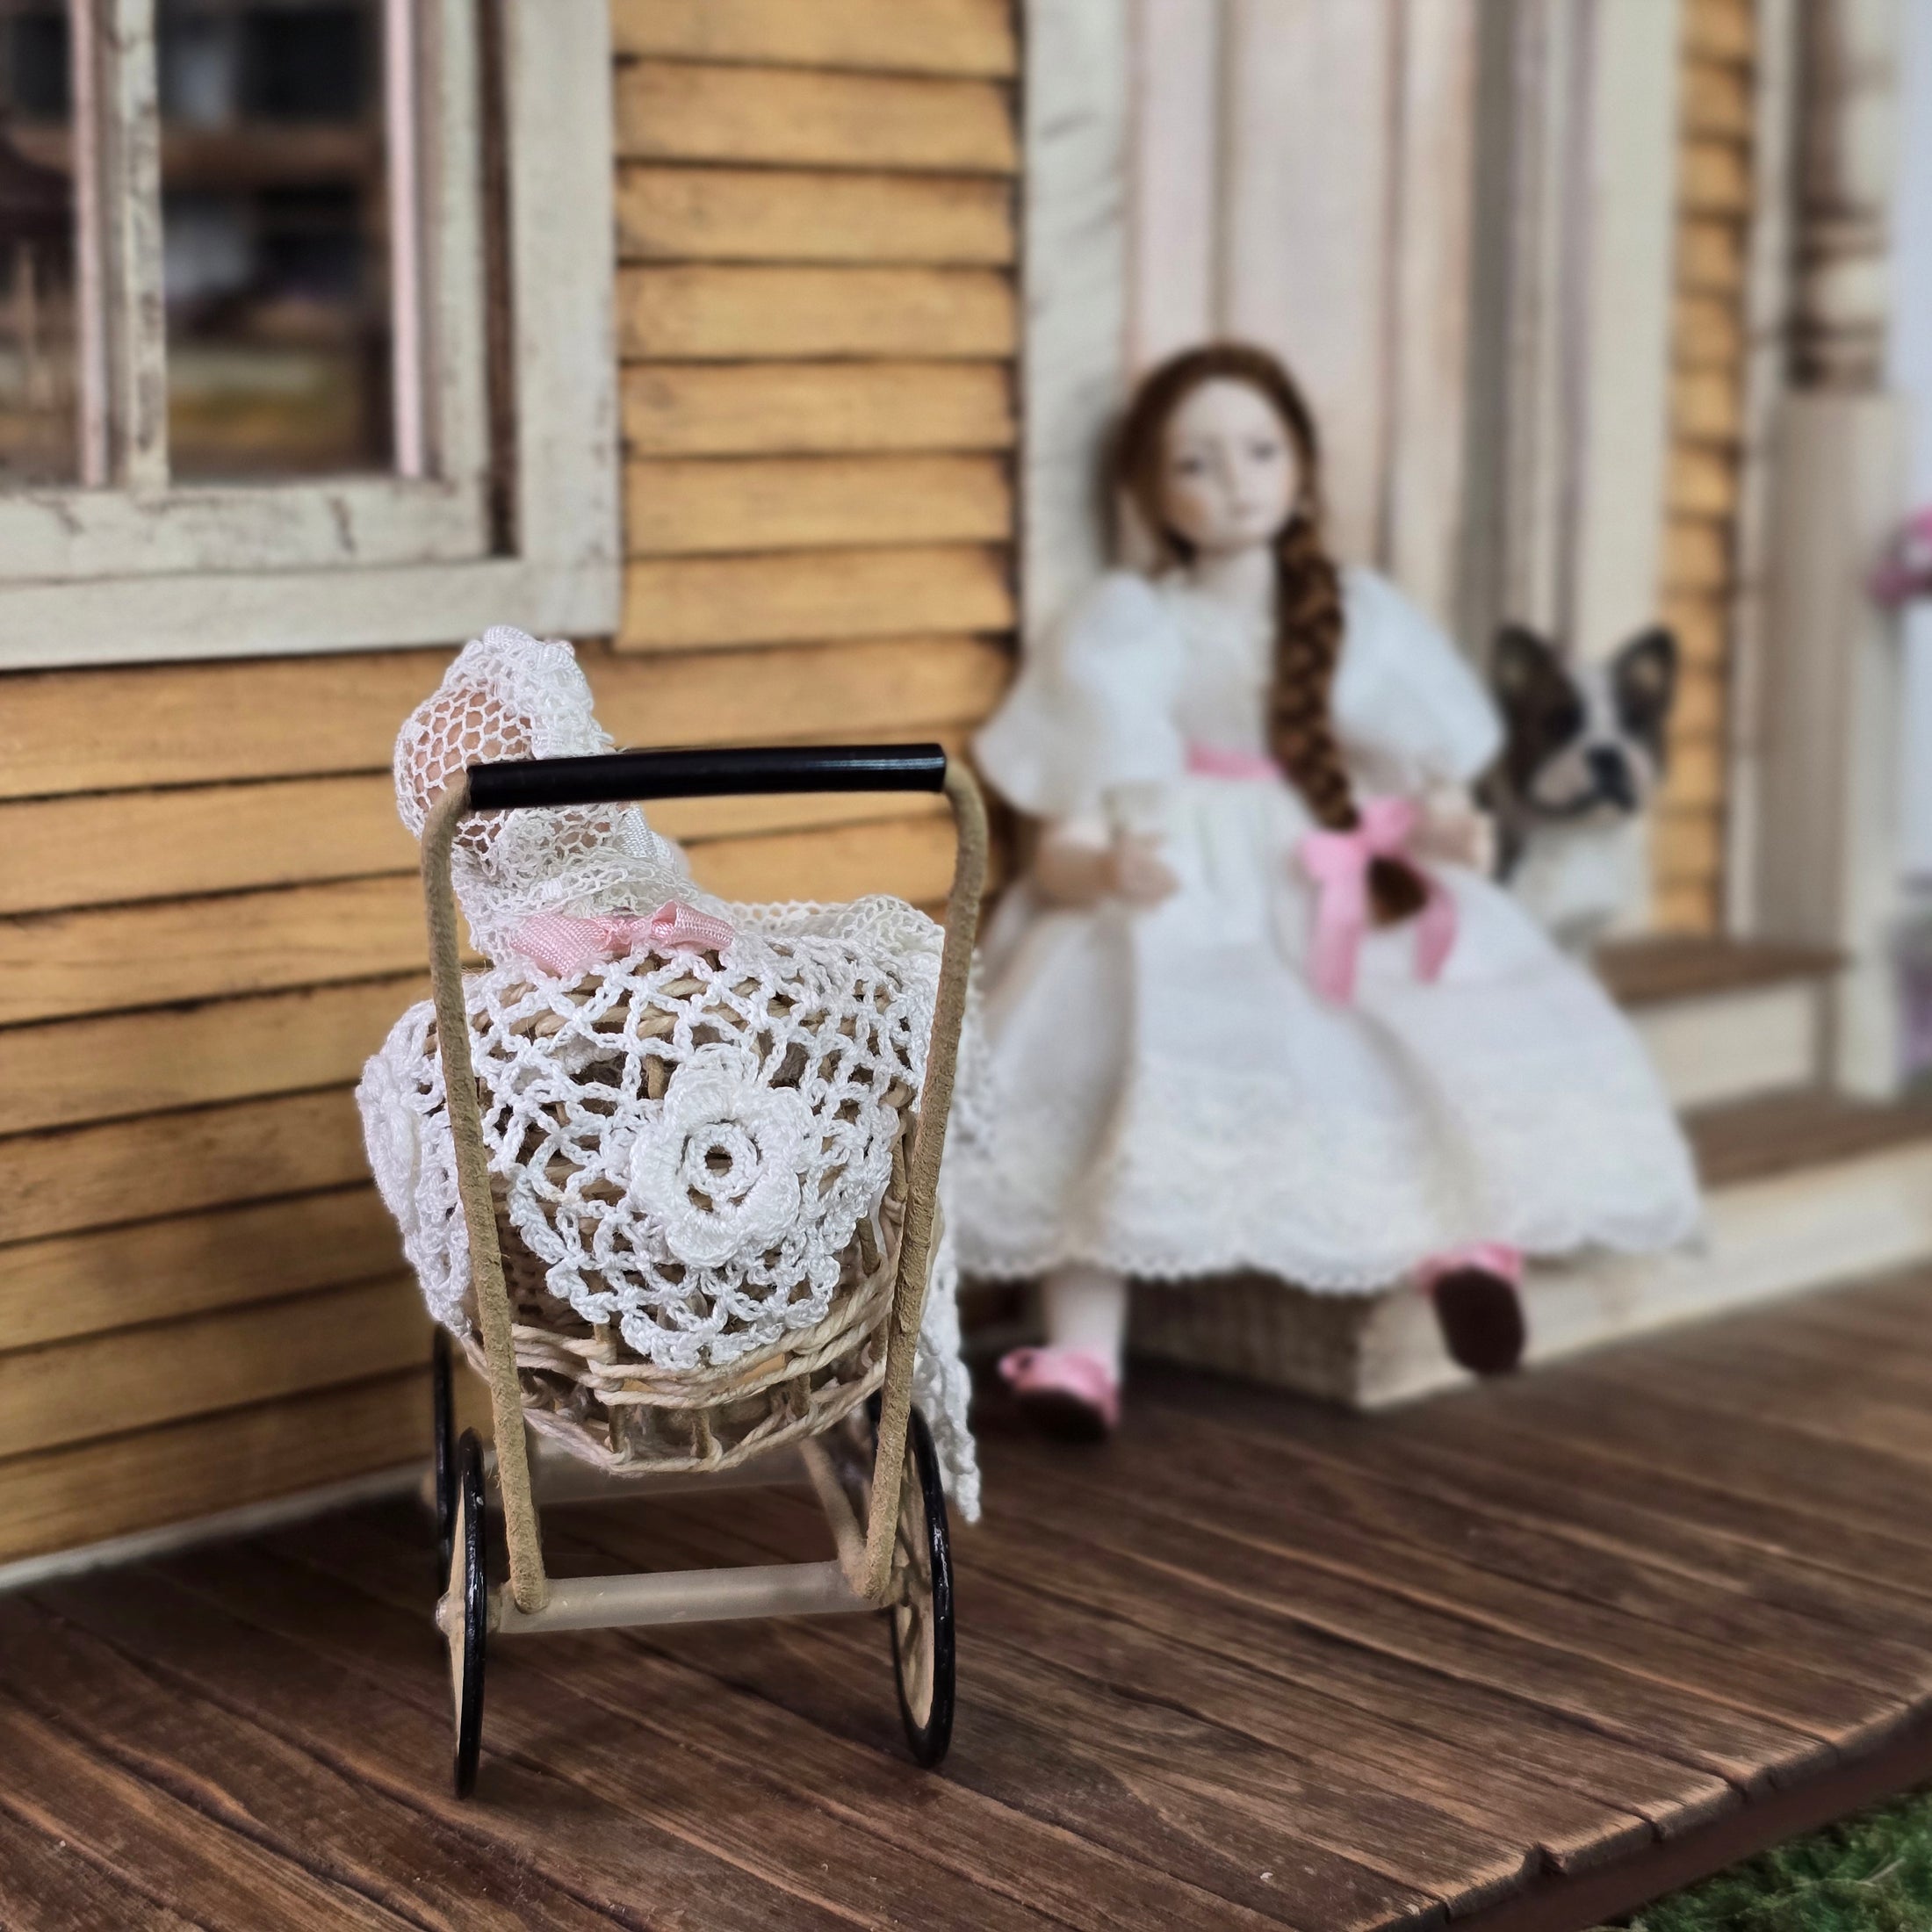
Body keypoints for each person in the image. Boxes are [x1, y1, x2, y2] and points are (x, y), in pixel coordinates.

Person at [952, 343, 1699, 1438]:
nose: (1235, 481)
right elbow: (1062, 824)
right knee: (1109, 1068)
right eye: (1195, 463)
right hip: (1173, 879)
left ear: (1301, 465)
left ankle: (1460, 1250)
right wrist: (1101, 868)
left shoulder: (1355, 613)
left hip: (1327, 864)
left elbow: (1432, 783)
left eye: (1259, 450)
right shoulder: (1127, 623)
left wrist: (1446, 829)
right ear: (1150, 493)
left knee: (1401, 1038)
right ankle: (1080, 1353)